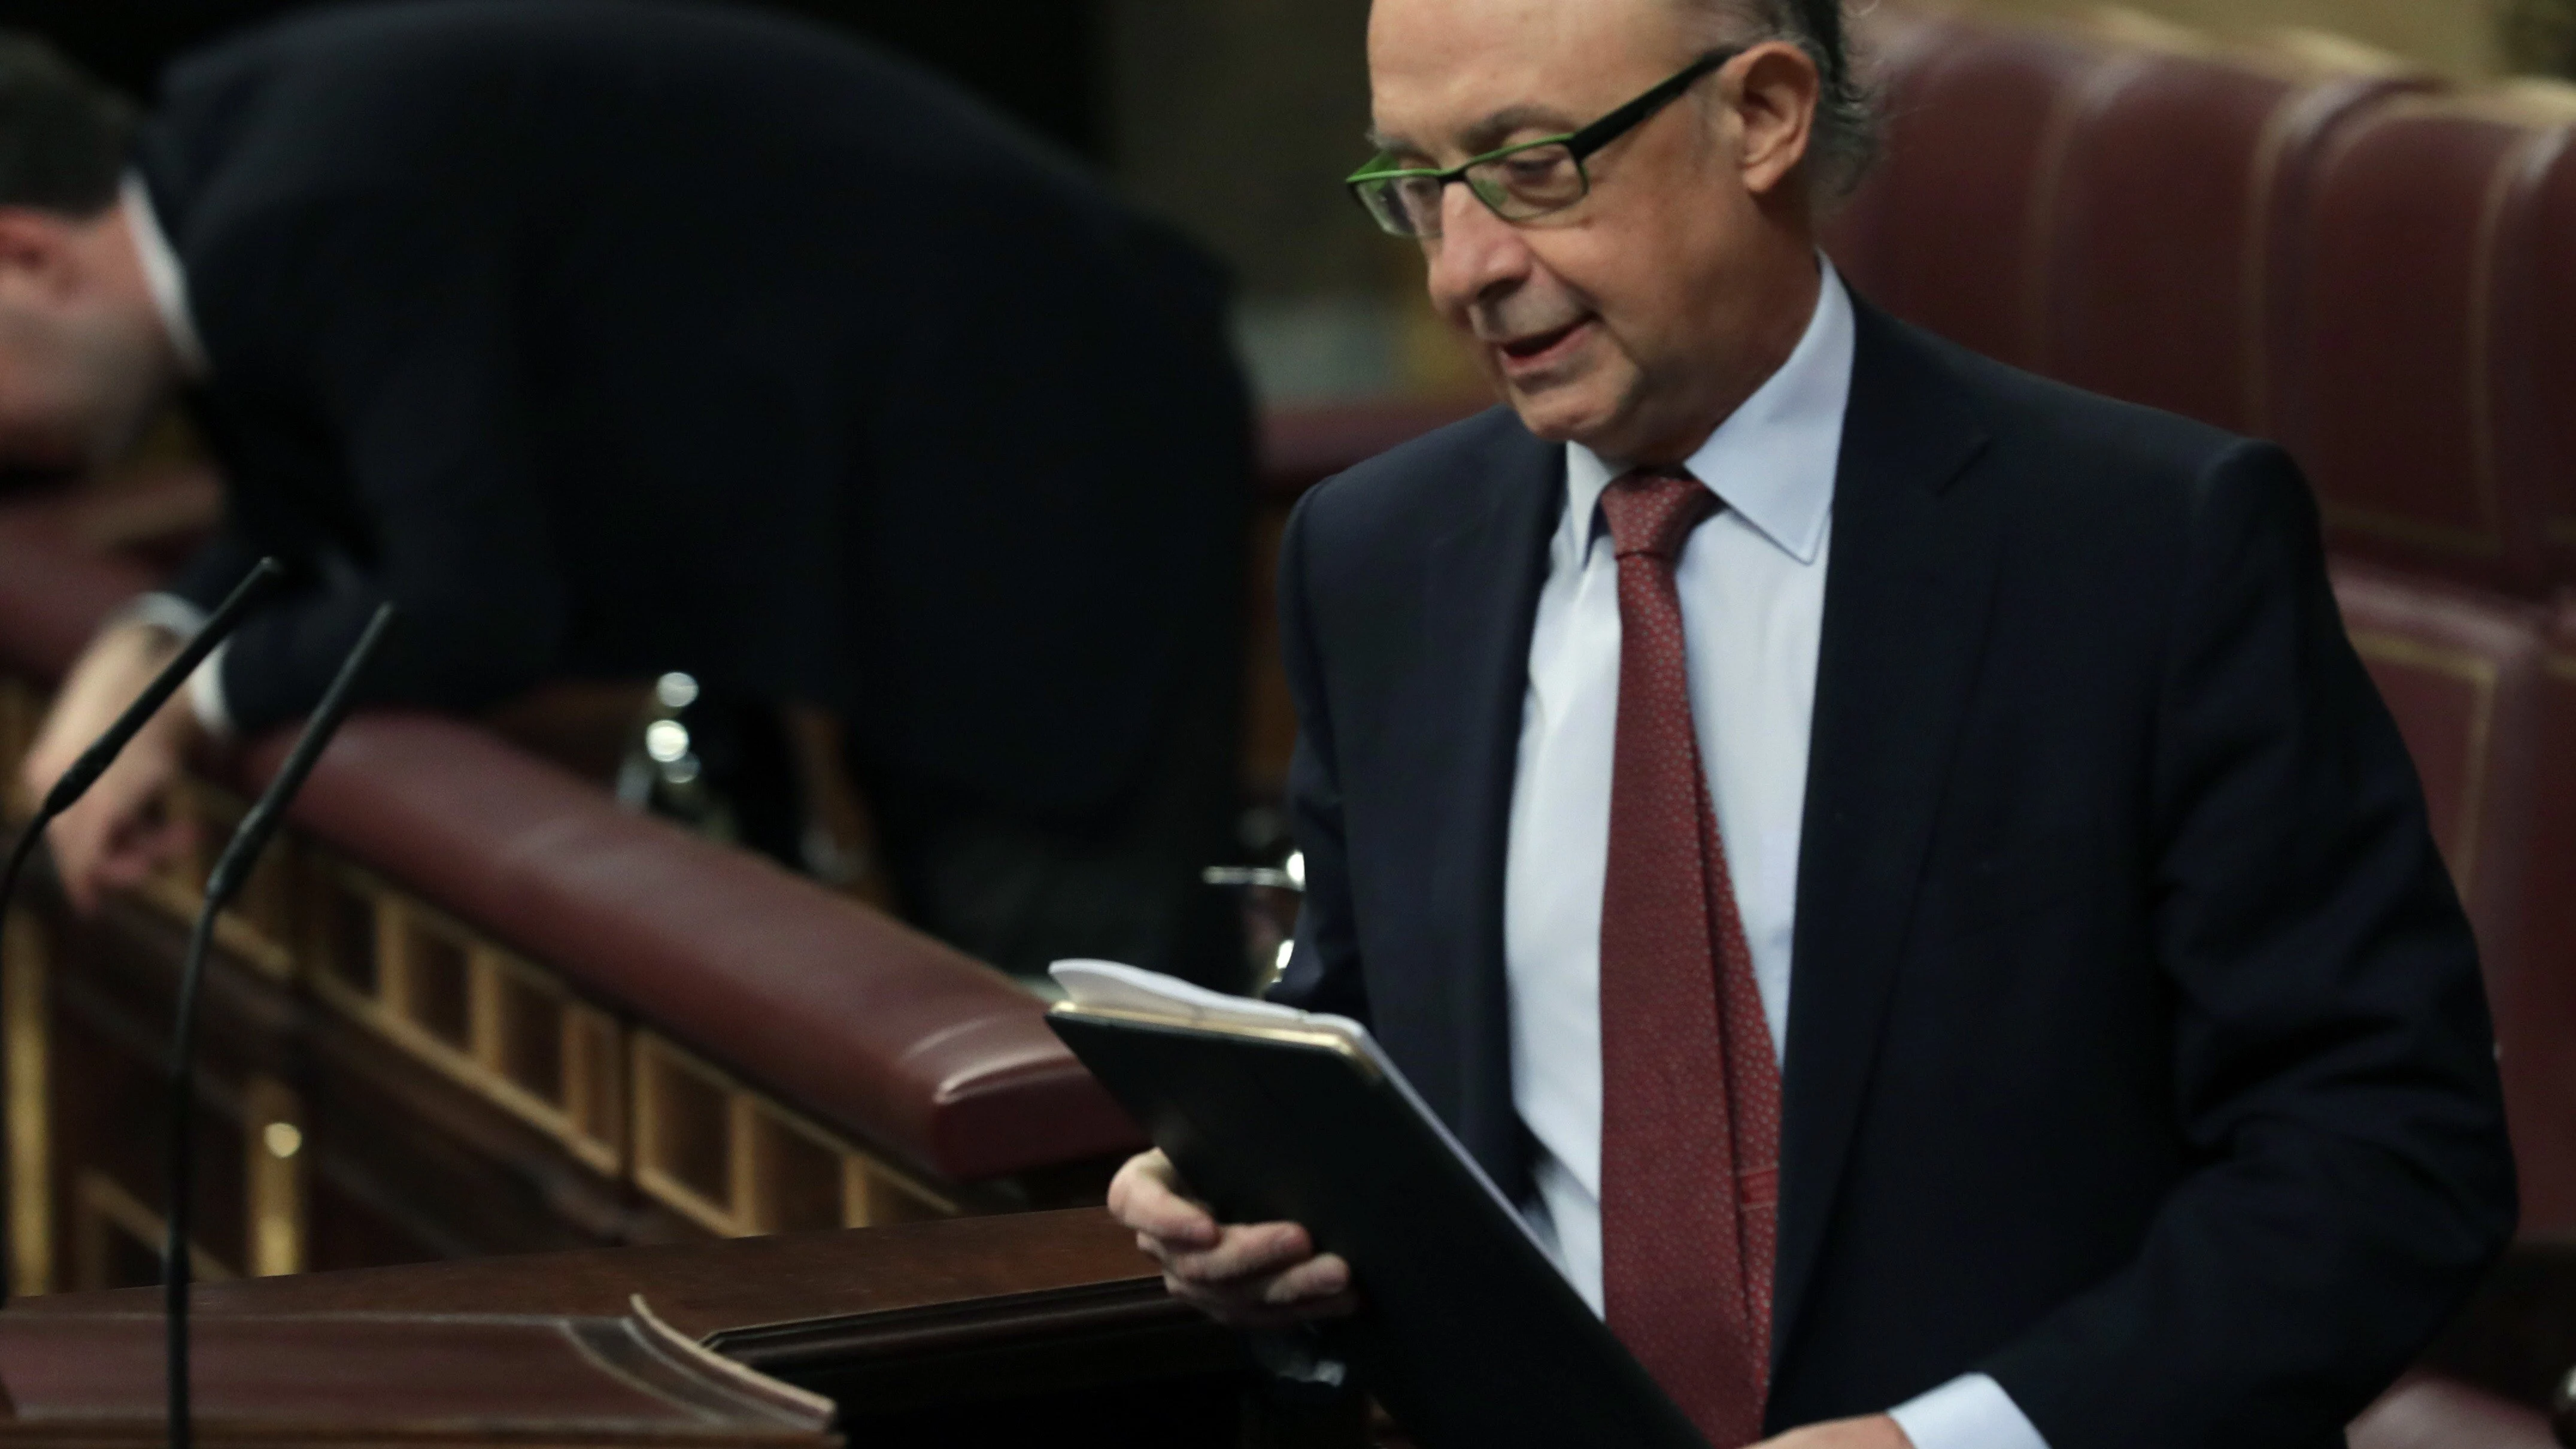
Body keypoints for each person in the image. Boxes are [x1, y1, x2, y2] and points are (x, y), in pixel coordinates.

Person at [1110, 0, 2516, 1443]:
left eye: (1534, 169)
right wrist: (1248, 1185)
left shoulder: (2143, 552)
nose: (1466, 270)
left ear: (1764, 118)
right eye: (1419, 186)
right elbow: (1370, 1024)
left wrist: (1957, 1440)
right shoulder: (1374, 558)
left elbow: (2388, 1154)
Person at [0, 1, 1251, 981]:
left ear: (27, 256)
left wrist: (197, 697)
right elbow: (312, 521)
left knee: (1073, 1017)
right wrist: (151, 646)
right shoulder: (230, 191)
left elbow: (472, 600)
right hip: (929, 490)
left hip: (1053, 467)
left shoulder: (301, 210)